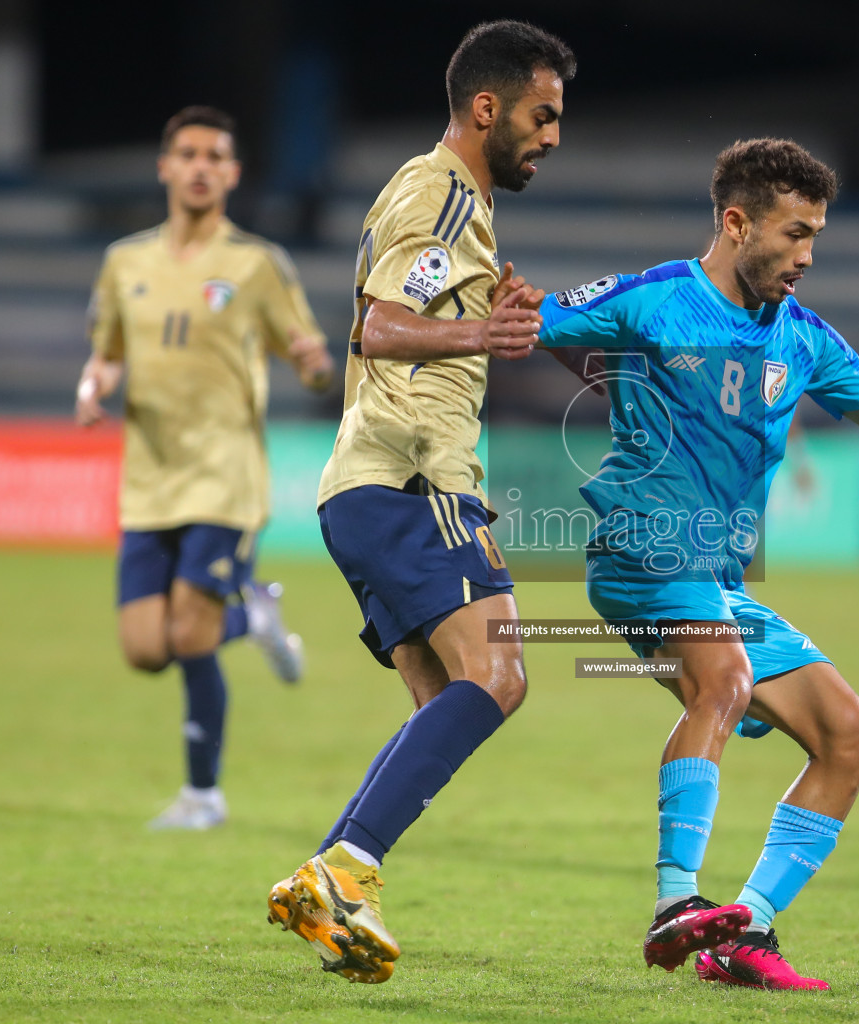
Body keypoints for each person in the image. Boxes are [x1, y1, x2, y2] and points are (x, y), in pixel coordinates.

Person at [537, 138, 859, 990]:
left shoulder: (803, 338)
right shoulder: (656, 298)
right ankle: (674, 904)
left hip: (719, 579)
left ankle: (747, 935)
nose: (807, 257)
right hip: (640, 546)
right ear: (736, 225)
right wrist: (496, 307)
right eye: (795, 234)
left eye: (816, 237)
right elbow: (531, 323)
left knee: (849, 736)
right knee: (723, 680)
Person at [264, 21, 574, 985]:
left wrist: (491, 318)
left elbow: (414, 313)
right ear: (487, 108)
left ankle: (332, 886)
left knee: (445, 703)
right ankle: (342, 867)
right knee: (503, 676)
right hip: (414, 480)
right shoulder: (439, 191)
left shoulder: (453, 204)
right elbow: (379, 326)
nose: (553, 136)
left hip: (367, 488)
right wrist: (485, 328)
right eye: (542, 114)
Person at [76, 106, 334, 831]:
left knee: (191, 635)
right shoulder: (126, 262)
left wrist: (316, 369)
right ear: (164, 166)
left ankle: (202, 796)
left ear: (232, 173)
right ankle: (253, 614)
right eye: (186, 153)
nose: (198, 166)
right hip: (150, 479)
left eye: (213, 156)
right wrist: (91, 385)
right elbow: (108, 351)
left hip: (225, 477)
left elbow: (308, 356)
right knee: (144, 650)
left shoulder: (256, 265)